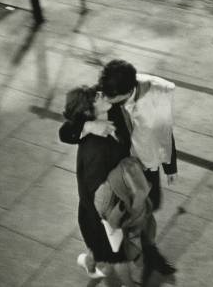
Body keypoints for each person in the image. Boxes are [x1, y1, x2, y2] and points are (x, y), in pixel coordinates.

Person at [59, 59, 178, 211]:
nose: (103, 97)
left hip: (147, 167)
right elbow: (65, 133)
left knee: (149, 206)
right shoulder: (106, 91)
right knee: (125, 212)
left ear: (126, 93)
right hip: (119, 172)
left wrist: (170, 167)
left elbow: (164, 132)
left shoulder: (152, 96)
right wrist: (89, 125)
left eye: (109, 97)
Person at [63, 85, 136, 286]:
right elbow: (100, 195)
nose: (101, 94)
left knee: (99, 249)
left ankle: (89, 262)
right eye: (96, 97)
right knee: (118, 257)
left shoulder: (109, 113)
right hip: (103, 213)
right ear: (89, 112)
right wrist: (116, 217)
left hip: (98, 209)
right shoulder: (95, 148)